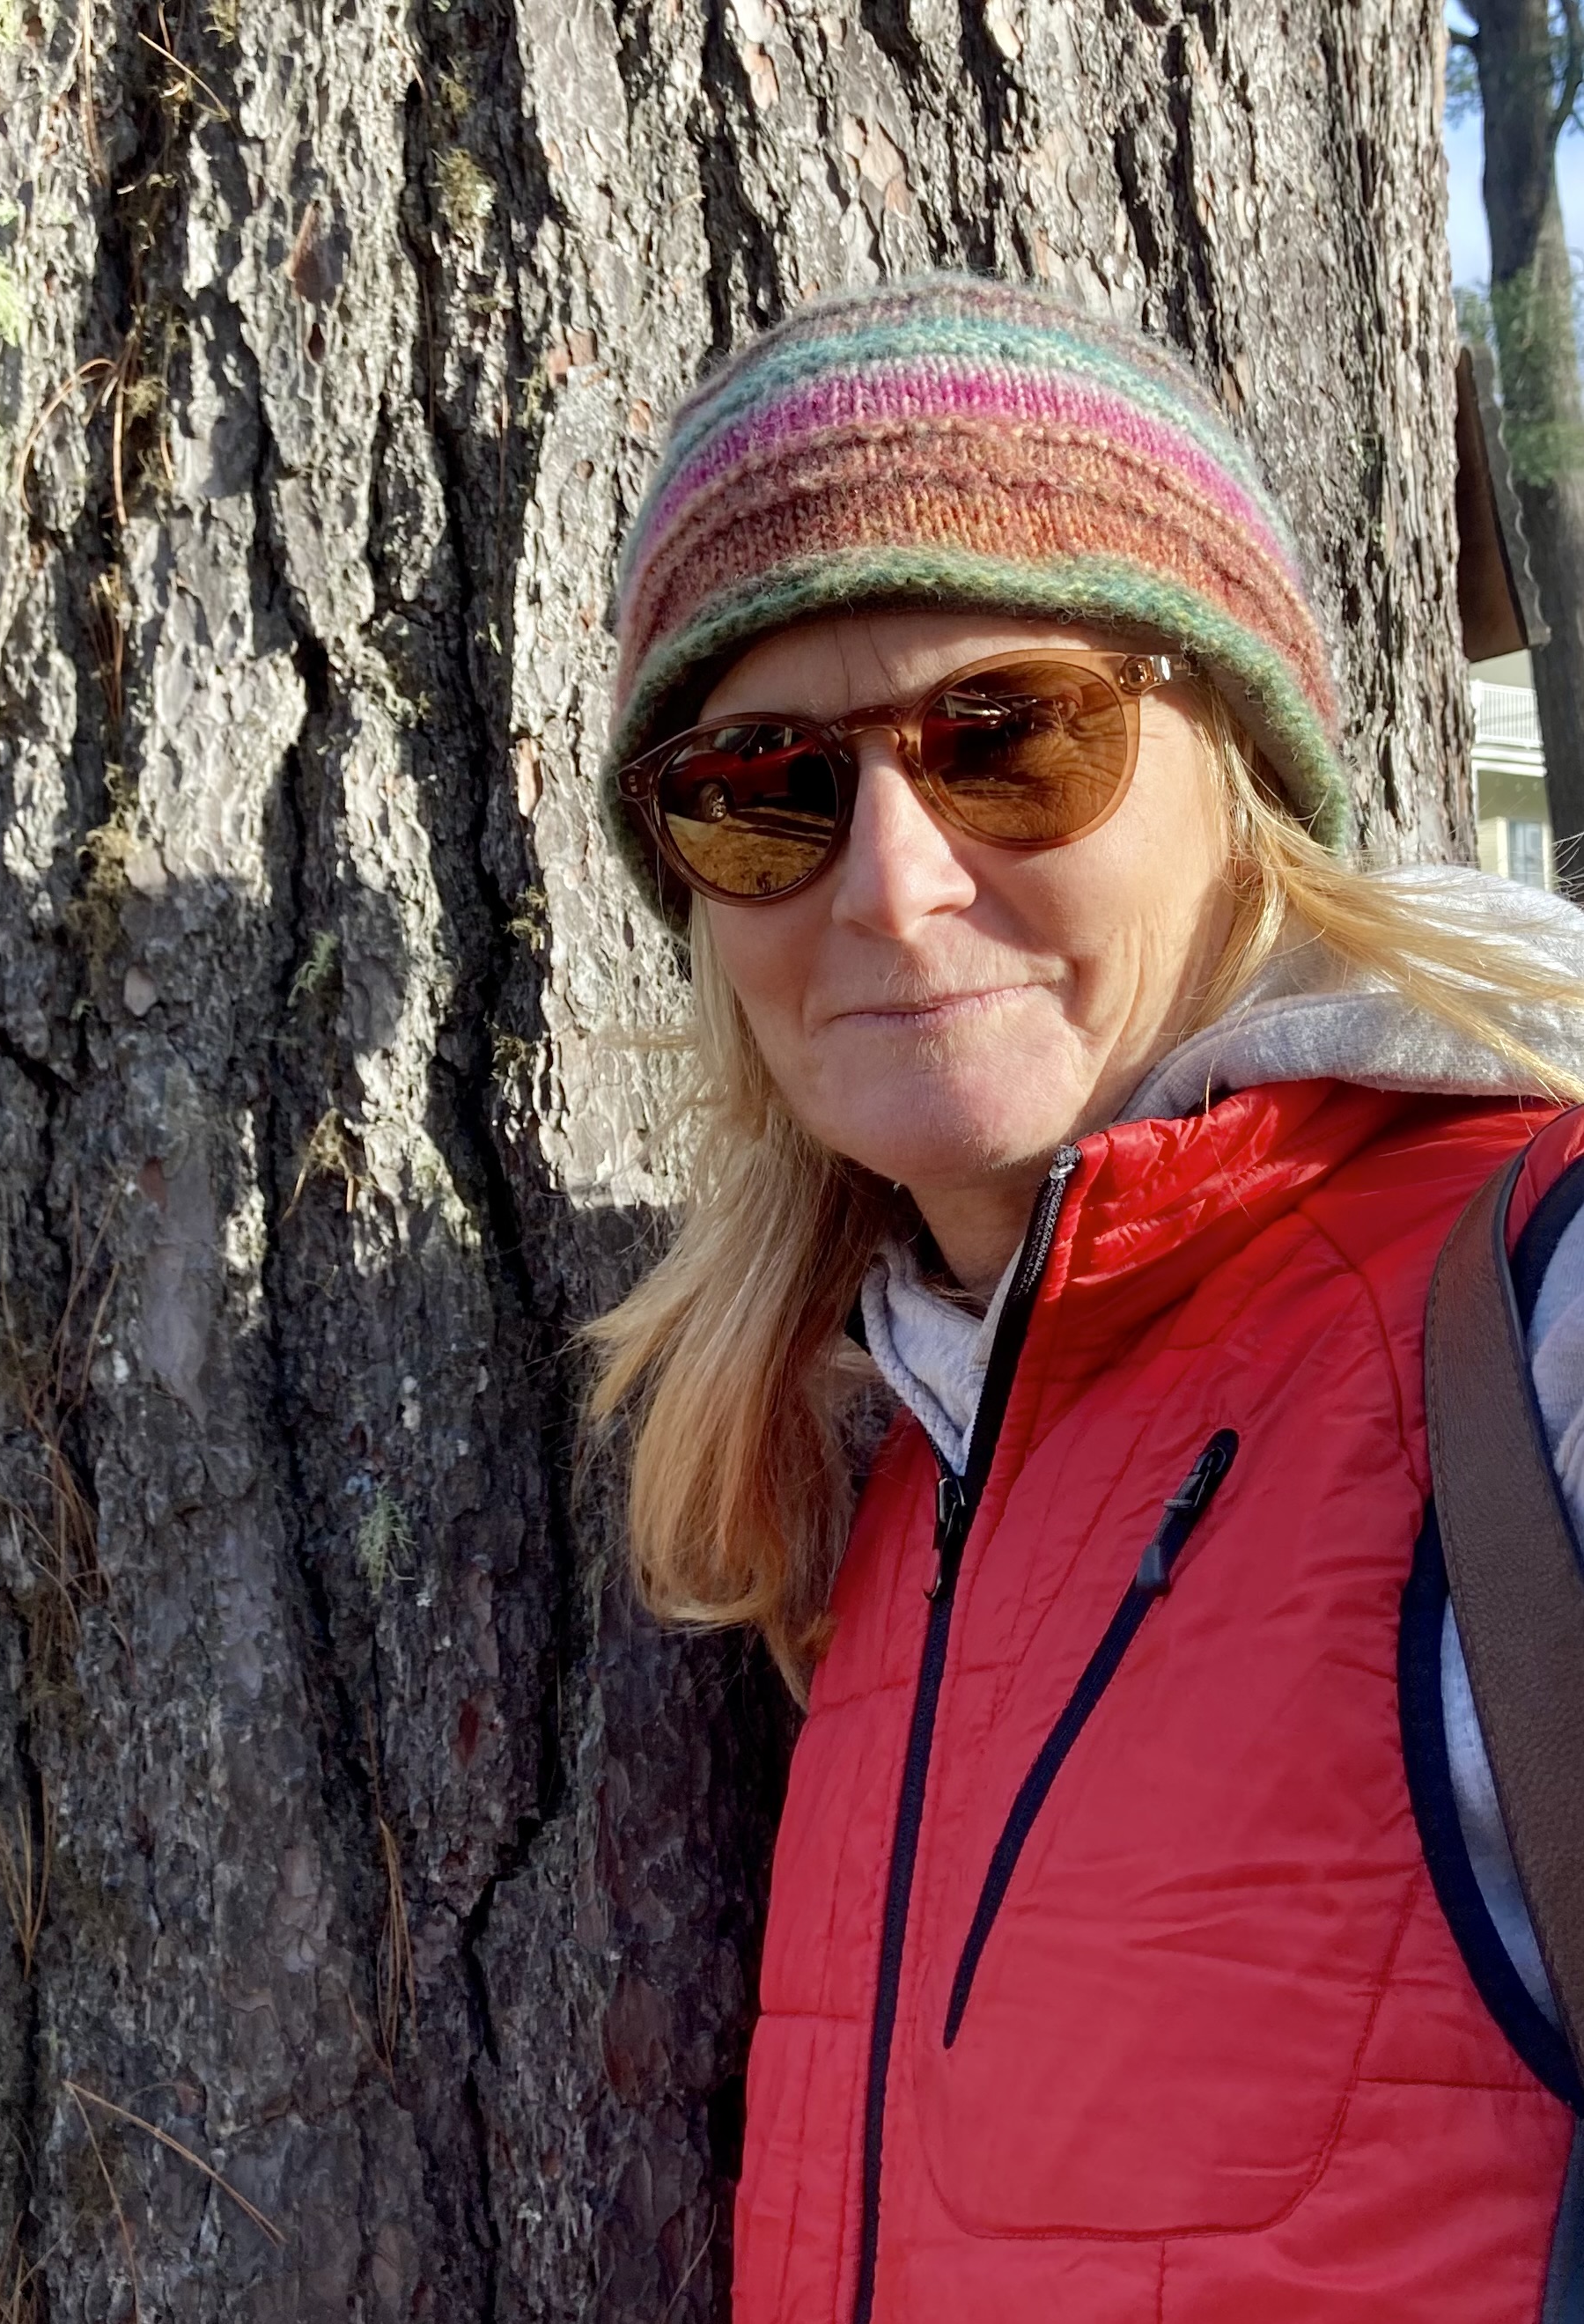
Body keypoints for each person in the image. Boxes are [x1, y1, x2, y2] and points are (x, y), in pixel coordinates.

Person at [586, 276, 1584, 2320]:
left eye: (1012, 735)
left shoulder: (1539, 1309)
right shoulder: (870, 1474)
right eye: (763, 786)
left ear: (1237, 768)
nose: (889, 882)